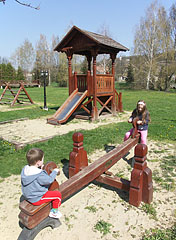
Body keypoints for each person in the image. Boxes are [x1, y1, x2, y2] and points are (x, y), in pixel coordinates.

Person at [21, 148, 62, 219]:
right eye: (42, 159)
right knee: (57, 195)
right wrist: (54, 172)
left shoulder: (25, 169)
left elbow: (35, 176)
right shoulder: (39, 174)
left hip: (28, 195)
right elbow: (49, 180)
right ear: (38, 162)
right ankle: (54, 212)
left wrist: (40, 169)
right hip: (36, 198)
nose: (43, 161)